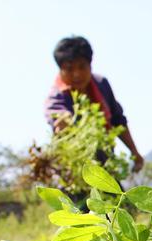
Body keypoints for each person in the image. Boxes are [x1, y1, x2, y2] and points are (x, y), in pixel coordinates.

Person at [44, 36, 144, 173]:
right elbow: (57, 116)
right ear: (60, 70)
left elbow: (118, 121)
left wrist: (134, 152)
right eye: (69, 69)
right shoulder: (56, 97)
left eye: (82, 67)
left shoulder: (101, 84)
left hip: (106, 163)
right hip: (74, 169)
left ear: (90, 65)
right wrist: (64, 121)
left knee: (114, 192)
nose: (76, 74)